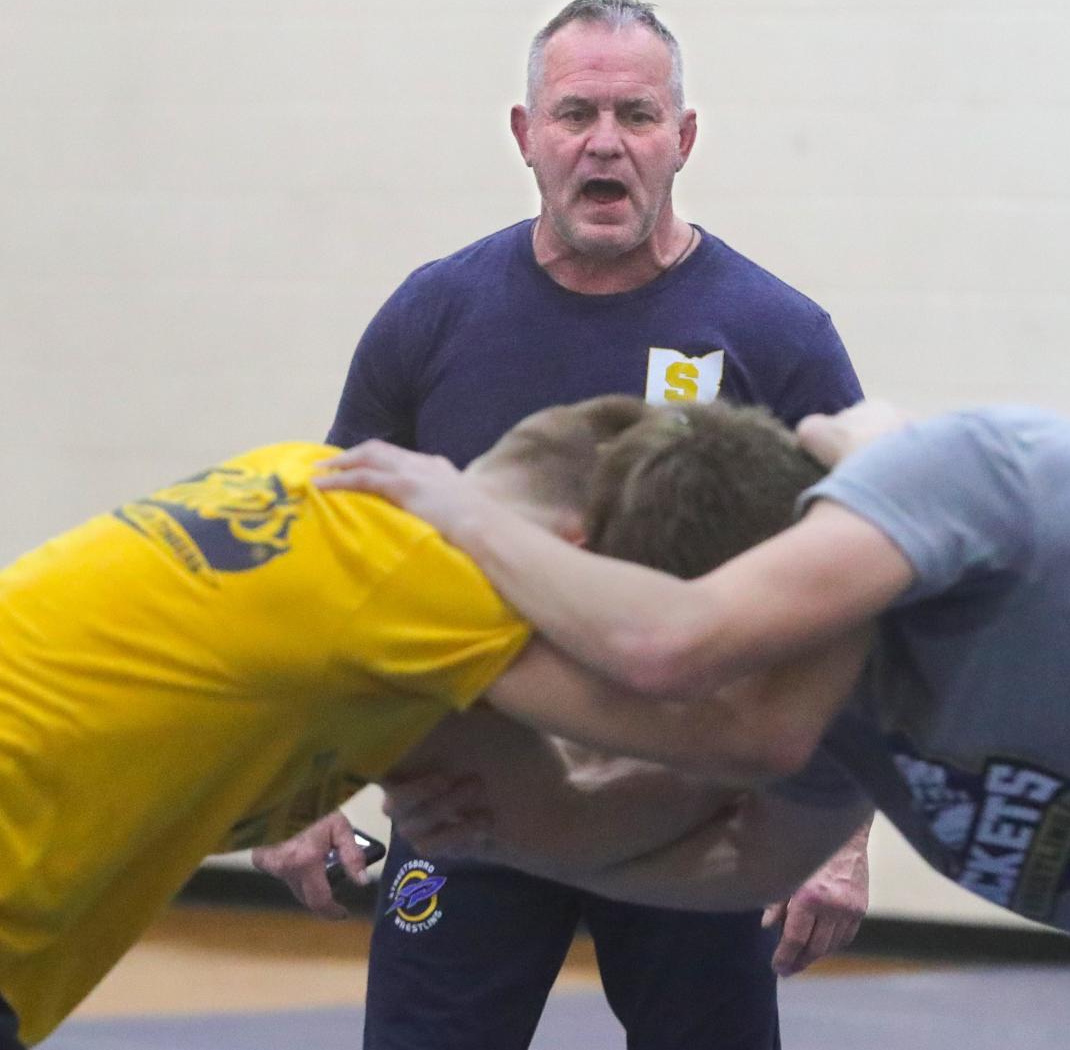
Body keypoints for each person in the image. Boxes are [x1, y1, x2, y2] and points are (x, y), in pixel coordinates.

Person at [262, 0, 869, 1050]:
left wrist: (837, 829)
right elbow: (334, 547)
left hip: (695, 799)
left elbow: (862, 583)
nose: (605, 144)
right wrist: (299, 776)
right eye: (576, 114)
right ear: (525, 135)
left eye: (636, 117)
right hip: (466, 789)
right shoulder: (435, 313)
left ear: (682, 140)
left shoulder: (779, 334)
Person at [323, 400, 1070, 1050]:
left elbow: (670, 649)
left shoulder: (963, 467)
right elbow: (747, 865)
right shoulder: (839, 708)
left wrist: (462, 514)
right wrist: (504, 832)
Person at [0, 395, 863, 1050]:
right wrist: (869, 554)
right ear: (573, 555)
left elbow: (542, 813)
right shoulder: (438, 589)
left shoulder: (311, 483)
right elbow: (753, 739)